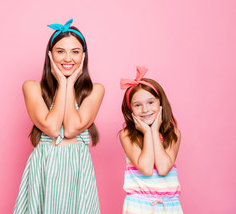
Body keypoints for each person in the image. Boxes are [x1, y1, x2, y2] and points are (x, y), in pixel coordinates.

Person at [13, 19, 104, 214]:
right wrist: (62, 84)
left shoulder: (94, 91)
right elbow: (52, 128)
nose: (68, 58)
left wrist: (69, 85)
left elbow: (71, 129)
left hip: (77, 169)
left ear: (83, 56)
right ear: (50, 55)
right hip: (44, 166)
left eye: (75, 52)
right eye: (60, 51)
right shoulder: (32, 87)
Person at [119, 66, 183, 213]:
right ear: (130, 110)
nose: (145, 109)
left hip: (169, 206)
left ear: (161, 103)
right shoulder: (127, 135)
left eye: (150, 102)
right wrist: (147, 132)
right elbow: (146, 169)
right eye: (137, 105)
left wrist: (154, 131)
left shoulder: (174, 134)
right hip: (138, 205)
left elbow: (163, 167)